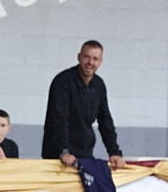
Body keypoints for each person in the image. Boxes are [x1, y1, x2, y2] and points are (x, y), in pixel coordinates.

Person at [42, 40, 125, 169]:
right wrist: (63, 151)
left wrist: (114, 152)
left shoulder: (99, 85)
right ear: (79, 57)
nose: (90, 62)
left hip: (85, 154)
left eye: (95, 59)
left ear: (100, 62)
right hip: (58, 157)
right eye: (87, 57)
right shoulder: (63, 81)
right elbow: (58, 120)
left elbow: (105, 120)